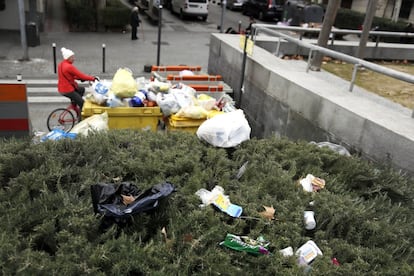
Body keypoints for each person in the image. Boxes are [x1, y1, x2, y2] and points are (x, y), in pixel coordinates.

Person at [57, 47, 98, 112]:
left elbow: (70, 76)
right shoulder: (69, 67)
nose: (74, 59)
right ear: (68, 58)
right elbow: (81, 75)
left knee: (81, 89)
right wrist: (93, 78)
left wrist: (79, 78)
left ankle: (74, 104)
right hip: (67, 90)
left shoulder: (61, 64)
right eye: (72, 57)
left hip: (61, 88)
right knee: (83, 104)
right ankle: (80, 119)